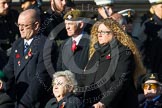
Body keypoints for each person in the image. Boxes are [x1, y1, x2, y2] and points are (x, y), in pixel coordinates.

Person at [83, 18, 146, 108]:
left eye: (104, 32)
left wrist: (104, 102)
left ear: (114, 34)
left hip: (116, 104)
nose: (99, 34)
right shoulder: (96, 53)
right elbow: (86, 77)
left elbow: (120, 81)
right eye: (98, 31)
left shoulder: (124, 53)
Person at [3, 9, 52, 108]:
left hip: (33, 102)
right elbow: (9, 69)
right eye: (19, 25)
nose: (21, 29)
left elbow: (40, 79)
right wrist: (1, 79)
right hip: (17, 98)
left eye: (25, 26)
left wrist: (24, 104)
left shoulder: (46, 45)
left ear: (36, 25)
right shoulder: (18, 44)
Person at [56, 9, 90, 88]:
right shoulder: (64, 44)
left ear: (81, 25)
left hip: (83, 90)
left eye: (70, 24)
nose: (67, 27)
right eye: (66, 24)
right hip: (66, 90)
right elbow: (59, 67)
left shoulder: (90, 43)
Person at [137, 0, 162, 78]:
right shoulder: (148, 25)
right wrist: (148, 74)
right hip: (155, 72)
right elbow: (141, 51)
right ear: (154, 8)